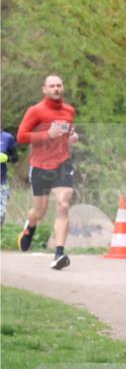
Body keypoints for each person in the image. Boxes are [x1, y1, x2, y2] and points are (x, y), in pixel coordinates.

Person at [16, 74, 79, 269]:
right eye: (52, 86)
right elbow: (21, 137)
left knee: (63, 203)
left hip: (62, 163)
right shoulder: (36, 111)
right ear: (44, 89)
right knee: (40, 211)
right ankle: (31, 224)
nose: (56, 89)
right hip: (41, 165)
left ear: (63, 88)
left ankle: (59, 254)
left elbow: (66, 134)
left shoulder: (69, 110)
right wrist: (47, 134)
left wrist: (71, 138)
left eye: (59, 85)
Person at [1, 128, 18, 226]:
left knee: (1, 215)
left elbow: (15, 158)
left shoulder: (7, 138)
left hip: (2, 183)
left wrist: (7, 158)